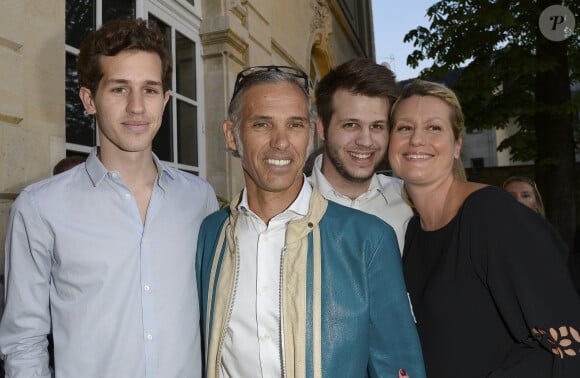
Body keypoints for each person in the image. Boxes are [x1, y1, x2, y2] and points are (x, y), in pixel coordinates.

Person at [0, 19, 218, 378]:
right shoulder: (40, 208)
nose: (136, 107)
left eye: (149, 90)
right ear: (89, 99)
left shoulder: (200, 200)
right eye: (119, 89)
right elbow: (24, 342)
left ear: (164, 101)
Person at [195, 65, 426, 378]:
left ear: (310, 132)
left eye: (294, 124)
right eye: (262, 124)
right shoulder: (212, 234)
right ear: (231, 135)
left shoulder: (368, 239)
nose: (281, 141)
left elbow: (397, 362)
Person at [388, 79, 580, 377]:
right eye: (404, 128)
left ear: (457, 145)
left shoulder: (491, 215)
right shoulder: (414, 232)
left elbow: (567, 347)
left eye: (434, 127)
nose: (416, 139)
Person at [309, 58, 412, 252]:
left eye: (377, 126)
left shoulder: (411, 203)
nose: (365, 141)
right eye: (351, 125)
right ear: (322, 128)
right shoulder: (289, 206)